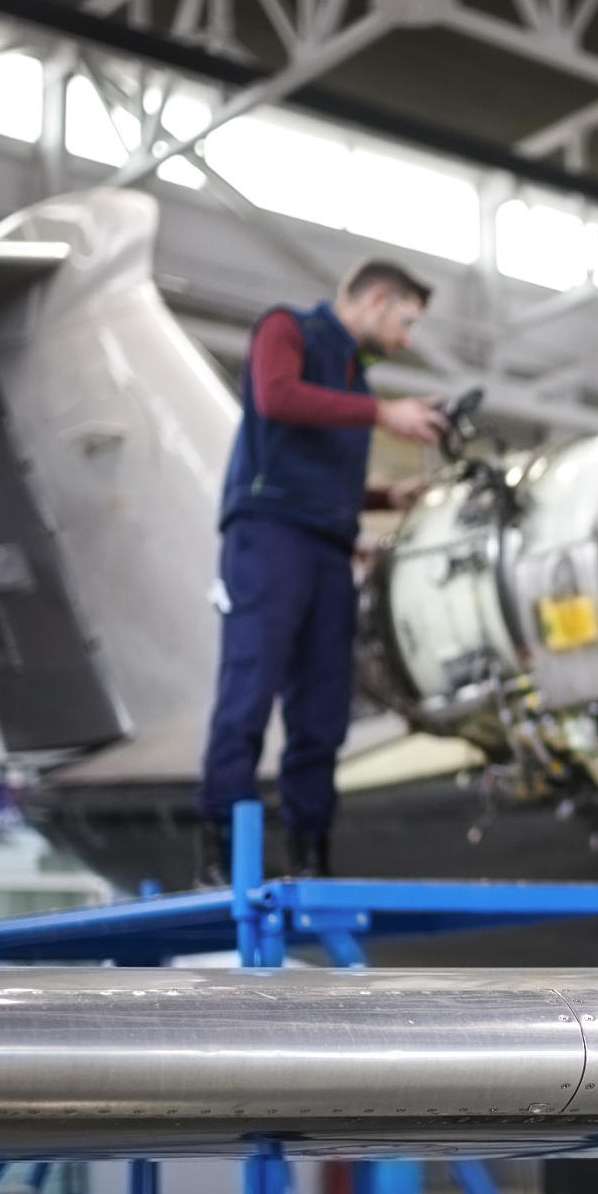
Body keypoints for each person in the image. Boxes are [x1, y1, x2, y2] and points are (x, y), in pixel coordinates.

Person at [195, 258, 448, 886]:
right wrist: (384, 414)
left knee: (323, 710)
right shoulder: (287, 330)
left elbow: (323, 476)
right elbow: (277, 397)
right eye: (406, 320)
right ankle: (221, 852)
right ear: (378, 298)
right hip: (269, 536)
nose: (406, 338)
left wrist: (388, 499)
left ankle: (310, 854)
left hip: (329, 547)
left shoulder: (354, 381)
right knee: (249, 693)